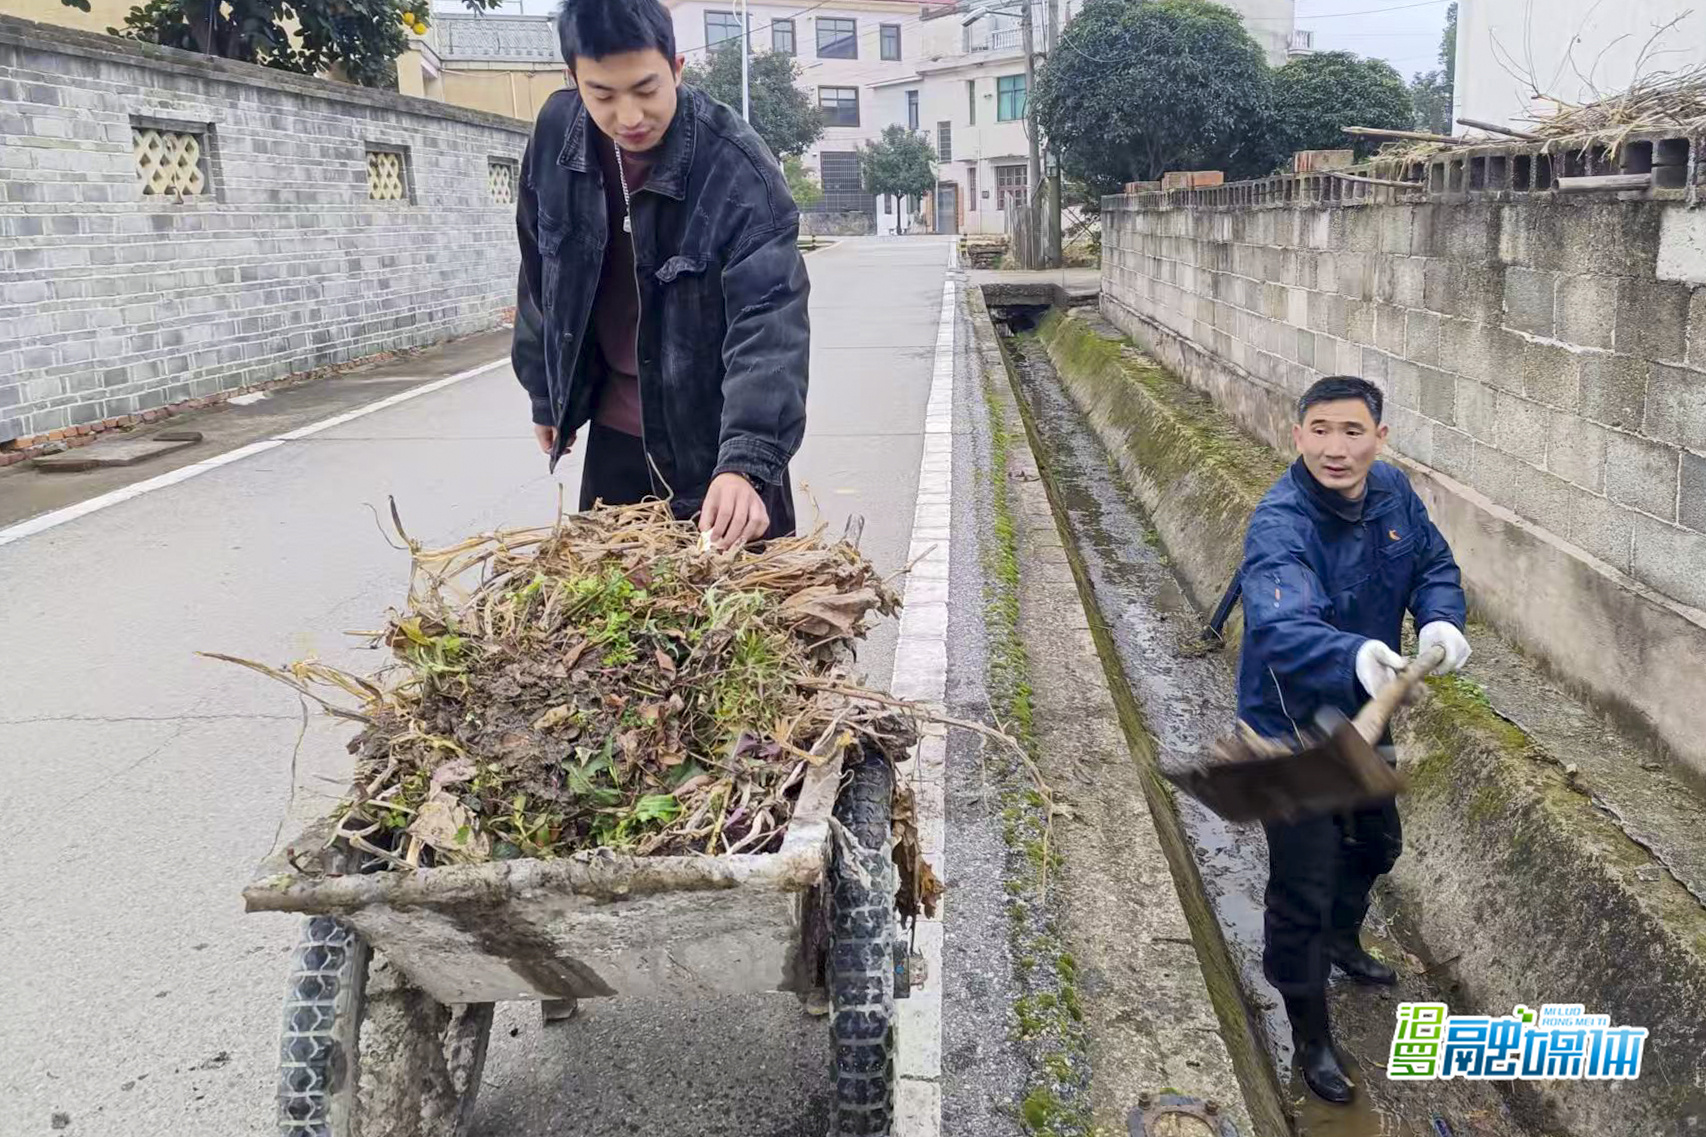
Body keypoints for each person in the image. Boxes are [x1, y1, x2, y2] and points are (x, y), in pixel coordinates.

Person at [1235, 375, 1472, 1104]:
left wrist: (1440, 617)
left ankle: (1344, 939)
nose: (1336, 448)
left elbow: (1433, 565)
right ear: (1298, 433)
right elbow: (1279, 621)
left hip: (1368, 714)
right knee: (1299, 891)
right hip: (1291, 730)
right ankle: (1311, 1035)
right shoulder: (1280, 521)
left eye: (1353, 431)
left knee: (1375, 845)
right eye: (1321, 430)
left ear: (1380, 437)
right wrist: (1350, 655)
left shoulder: (1395, 492)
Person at [511, 0, 809, 550]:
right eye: (602, 94)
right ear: (573, 79)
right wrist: (546, 393)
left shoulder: (738, 168)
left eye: (646, 89)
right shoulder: (555, 137)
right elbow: (539, 270)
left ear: (676, 67)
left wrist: (745, 462)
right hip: (616, 441)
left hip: (717, 449)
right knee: (609, 621)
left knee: (745, 628)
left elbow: (769, 319)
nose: (628, 116)